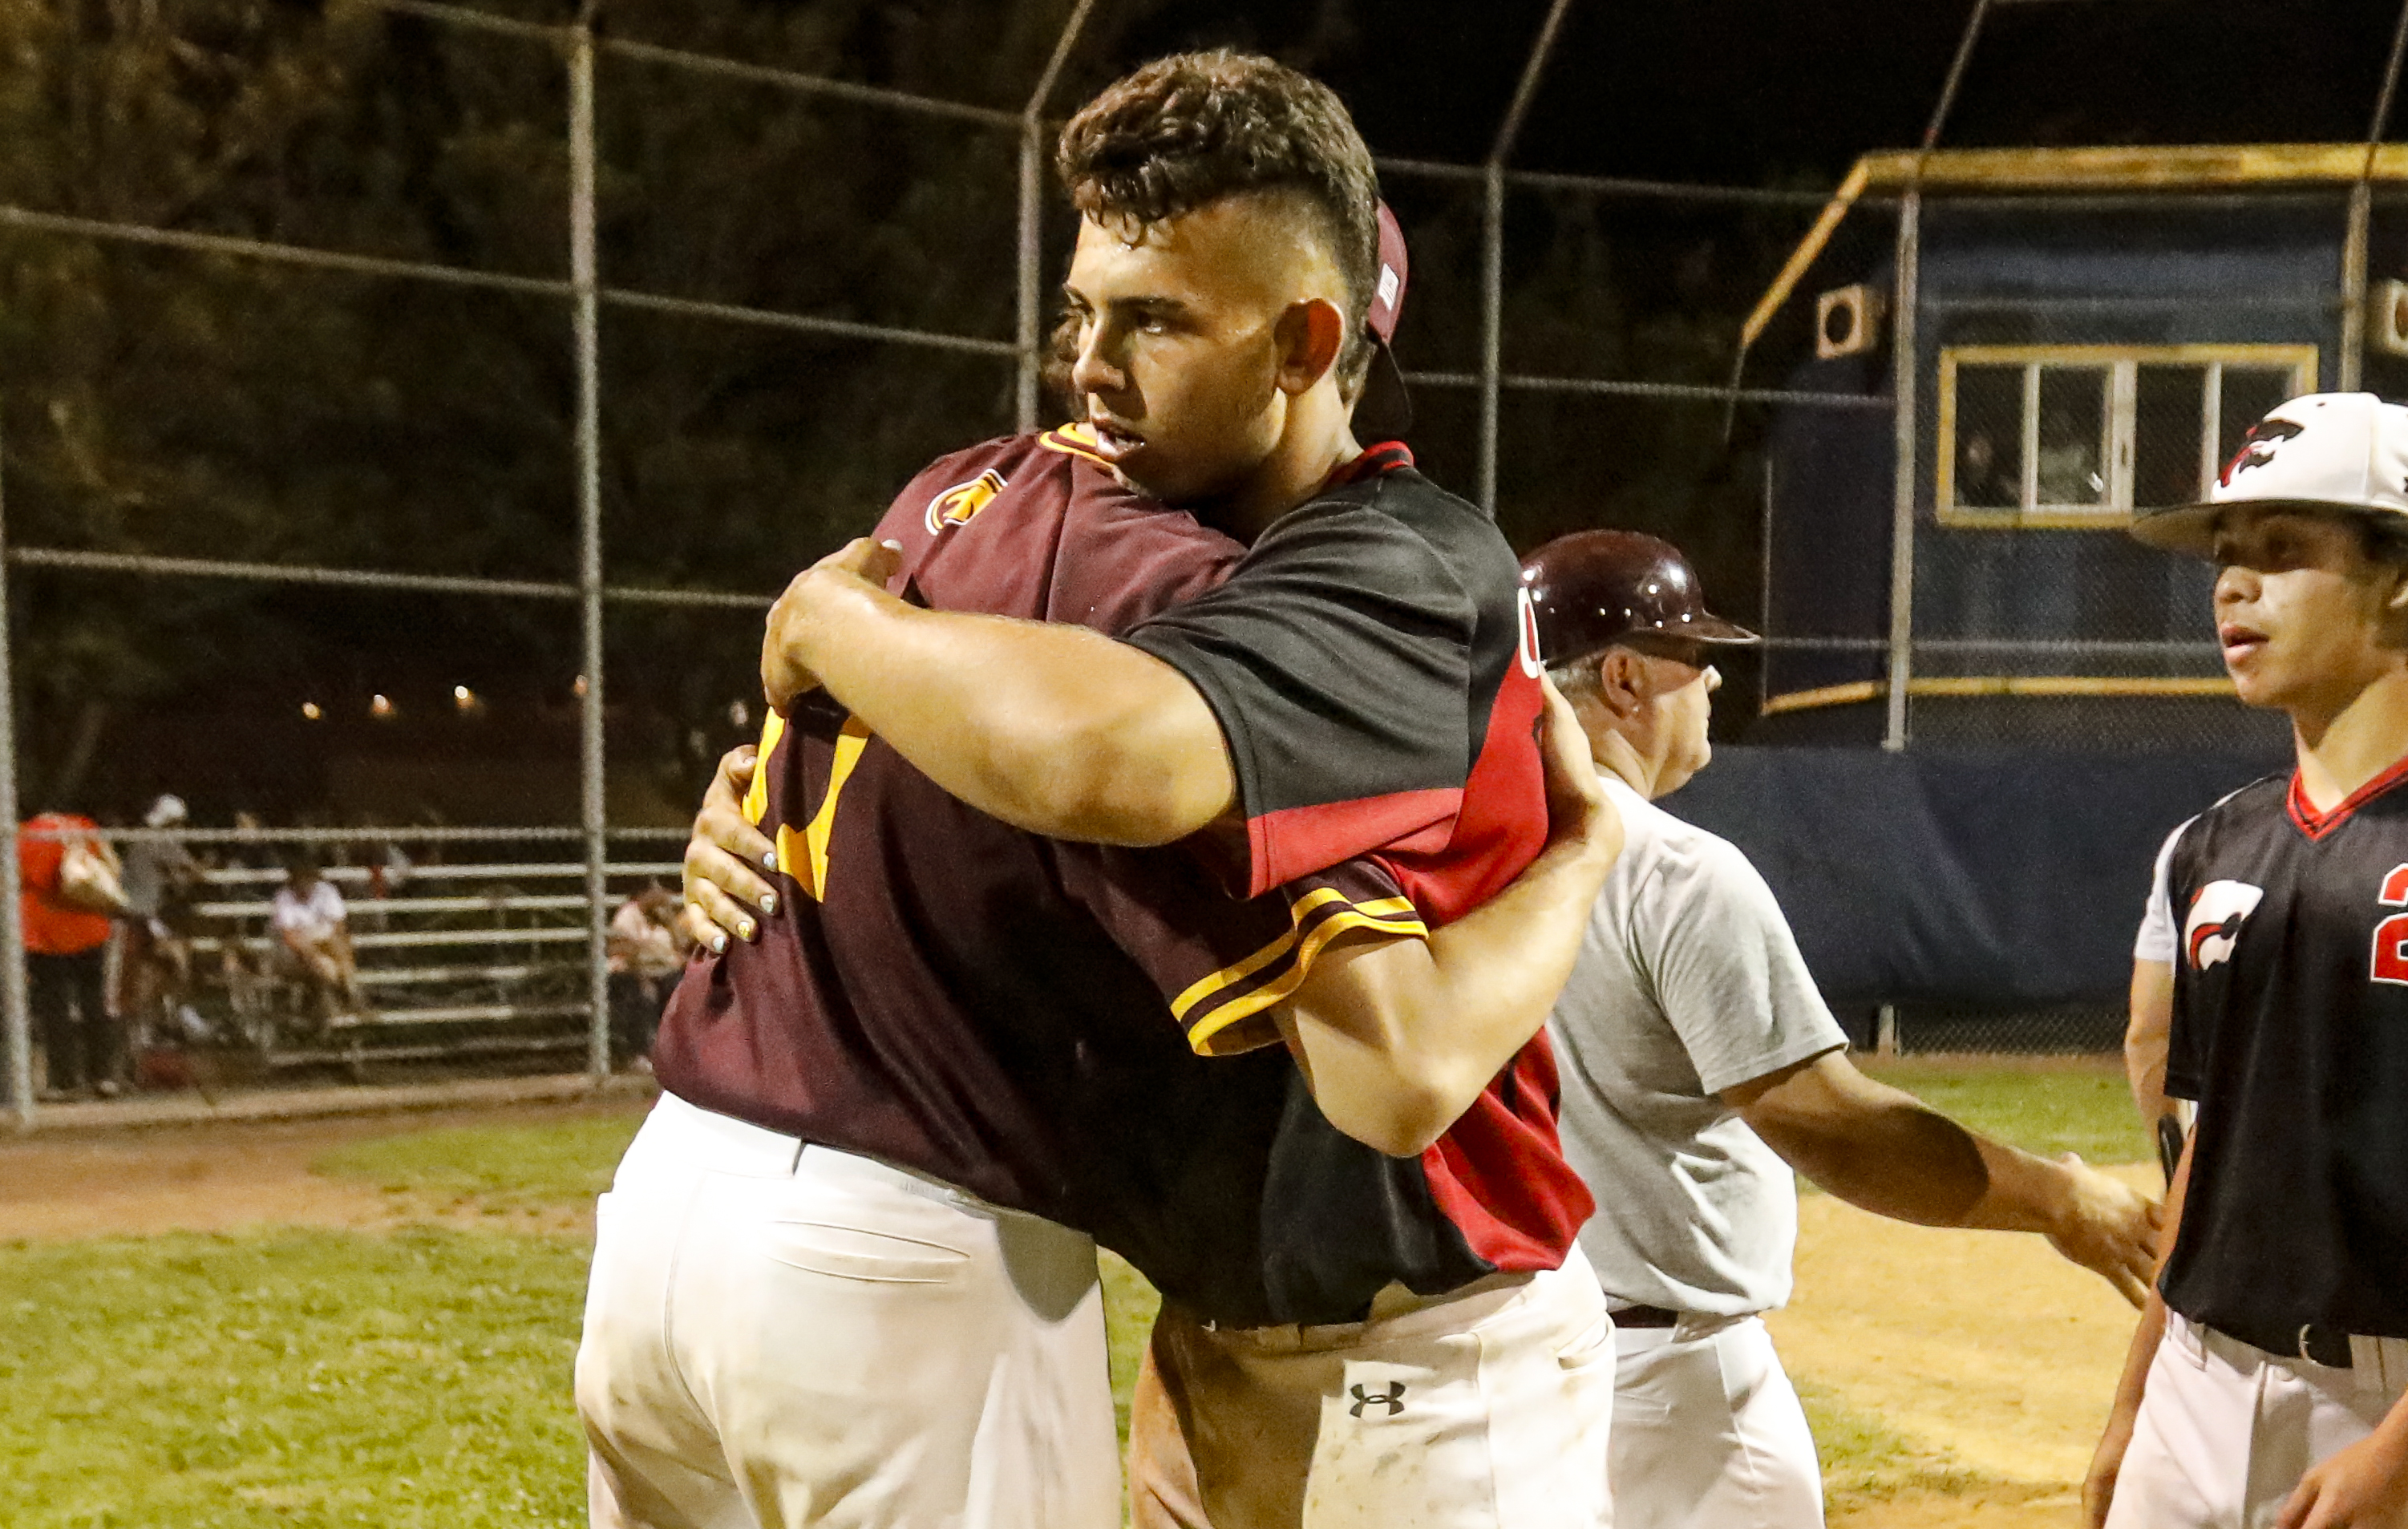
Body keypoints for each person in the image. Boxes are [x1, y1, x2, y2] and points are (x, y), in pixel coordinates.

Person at [599, 50, 1623, 1529]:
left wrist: (831, 624)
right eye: (1081, 312)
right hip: (1211, 1323)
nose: (1087, 366)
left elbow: (1383, 1060)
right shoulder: (1097, 543)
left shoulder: (1381, 572)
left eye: (1153, 321)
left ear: (1301, 346)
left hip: (1424, 1339)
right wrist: (773, 793)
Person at [1522, 529, 2163, 1529]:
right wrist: (2060, 1197)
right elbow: (1824, 1121)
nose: (1716, 678)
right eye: (1693, 654)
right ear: (1623, 677)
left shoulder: (1465, 850)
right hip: (1677, 1394)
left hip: (1510, 1368)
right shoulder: (1676, 872)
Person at [2086, 393, 2408, 1529]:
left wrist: (2397, 1450)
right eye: (2225, 558)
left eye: (2280, 551)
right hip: (2194, 1370)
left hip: (2380, 1396)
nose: (2230, 586)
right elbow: (2204, 1146)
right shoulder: (2210, 841)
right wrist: (2136, 1393)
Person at [18, 808, 121, 1097]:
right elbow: (110, 867)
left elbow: (24, 877)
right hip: (89, 925)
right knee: (94, 1004)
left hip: (46, 931)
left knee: (55, 1008)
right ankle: (102, 1076)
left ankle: (64, 1081)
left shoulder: (27, 833)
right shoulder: (83, 825)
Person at [115, 795, 204, 1047]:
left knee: (155, 968)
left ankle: (160, 1021)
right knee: (177, 962)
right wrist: (202, 865)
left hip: (136, 914)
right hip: (143, 915)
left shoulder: (141, 841)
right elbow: (194, 872)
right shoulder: (161, 841)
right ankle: (178, 1016)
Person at [270, 855, 364, 1028]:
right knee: (320, 966)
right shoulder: (284, 897)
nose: (305, 884)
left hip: (325, 942)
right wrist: (317, 957)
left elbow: (340, 928)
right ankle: (338, 998)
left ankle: (346, 985)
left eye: (308, 878)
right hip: (296, 950)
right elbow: (290, 938)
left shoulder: (326, 891)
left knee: (336, 946)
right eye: (301, 879)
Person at [603, 884, 682, 1066]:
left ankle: (674, 1052)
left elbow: (680, 946)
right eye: (655, 891)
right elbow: (618, 950)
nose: (661, 896)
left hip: (664, 971)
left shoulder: (662, 915)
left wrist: (669, 920)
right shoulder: (629, 915)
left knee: (679, 992)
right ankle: (641, 1053)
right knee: (645, 997)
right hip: (631, 972)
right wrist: (642, 950)